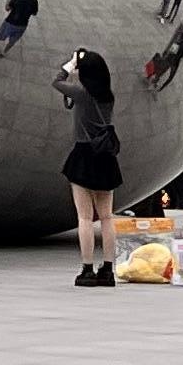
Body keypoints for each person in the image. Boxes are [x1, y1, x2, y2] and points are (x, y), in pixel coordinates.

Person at [60, 51, 123, 287]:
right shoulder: (109, 96)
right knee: (107, 216)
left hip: (84, 155)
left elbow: (56, 82)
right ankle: (108, 269)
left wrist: (70, 66)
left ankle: (87, 268)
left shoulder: (81, 94)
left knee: (85, 217)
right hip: (105, 156)